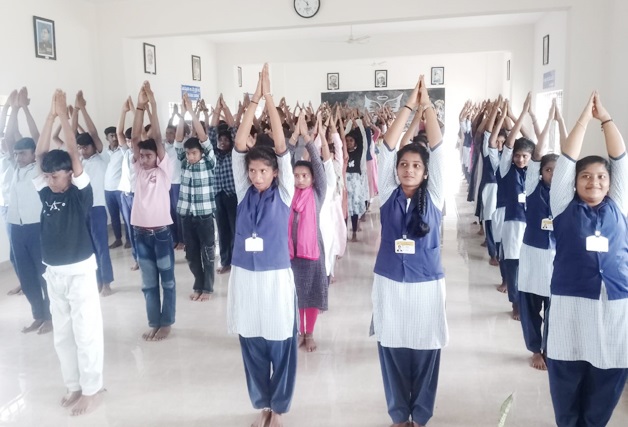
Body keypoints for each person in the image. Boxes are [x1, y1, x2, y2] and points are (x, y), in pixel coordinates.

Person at [546, 92, 628, 427]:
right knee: (566, 378)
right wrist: (583, 119)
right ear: (574, 183)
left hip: (615, 305)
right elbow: (567, 159)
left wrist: (605, 119)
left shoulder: (619, 204)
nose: (594, 181)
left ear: (610, 184)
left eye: (601, 177)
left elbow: (620, 158)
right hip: (571, 305)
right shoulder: (563, 206)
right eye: (586, 176)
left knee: (608, 378)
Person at [371, 75, 447, 427]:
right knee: (392, 349)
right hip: (389, 282)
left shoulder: (434, 196)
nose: (409, 170)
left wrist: (427, 105)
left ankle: (422, 415)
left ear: (426, 172)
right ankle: (400, 415)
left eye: (416, 166)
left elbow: (439, 149)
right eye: (404, 165)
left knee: (427, 349)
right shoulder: (388, 194)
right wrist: (408, 105)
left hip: (427, 285)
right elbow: (387, 148)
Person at [227, 64, 297, 427]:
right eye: (252, 171)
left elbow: (282, 147)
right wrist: (252, 100)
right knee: (252, 340)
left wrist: (269, 98)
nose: (256, 176)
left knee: (280, 341)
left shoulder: (284, 193)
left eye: (263, 171)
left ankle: (278, 408)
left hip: (275, 277)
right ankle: (262, 405)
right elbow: (240, 145)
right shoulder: (243, 192)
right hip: (245, 275)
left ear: (275, 173)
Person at [35, 89, 104, 416]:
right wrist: (49, 116)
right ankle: (74, 384)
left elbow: (74, 157)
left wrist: (64, 116)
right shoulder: (46, 192)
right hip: (54, 271)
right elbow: (40, 156)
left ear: (69, 174)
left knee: (85, 331)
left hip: (79, 270)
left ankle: (92, 389)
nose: (50, 180)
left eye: (56, 176)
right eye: (48, 176)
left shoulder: (79, 194)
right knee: (63, 334)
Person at [518, 100, 565, 371]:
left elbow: (570, 159)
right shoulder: (533, 187)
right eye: (548, 170)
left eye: (558, 171)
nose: (553, 174)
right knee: (530, 305)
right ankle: (535, 349)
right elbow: (537, 154)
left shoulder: (567, 196)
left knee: (554, 308)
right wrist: (548, 121)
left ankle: (549, 348)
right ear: (540, 172)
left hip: (557, 257)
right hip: (533, 255)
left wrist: (562, 122)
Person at [130, 82, 175, 341]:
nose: (145, 159)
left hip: (160, 233)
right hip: (141, 233)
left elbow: (156, 139)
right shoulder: (138, 169)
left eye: (149, 156)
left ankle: (166, 322)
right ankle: (153, 322)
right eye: (142, 156)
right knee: (148, 284)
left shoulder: (163, 170)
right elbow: (136, 138)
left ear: (157, 157)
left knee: (167, 281)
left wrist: (154, 106)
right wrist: (139, 107)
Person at [5, 88, 52, 334]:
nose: (18, 156)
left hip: (36, 227)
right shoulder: (15, 168)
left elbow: (37, 137)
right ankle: (38, 315)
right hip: (16, 227)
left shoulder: (39, 168)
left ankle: (51, 317)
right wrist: (12, 108)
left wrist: (24, 108)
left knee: (44, 274)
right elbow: (8, 138)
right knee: (26, 276)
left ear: (33, 154)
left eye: (22, 153)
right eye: (16, 153)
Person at [289, 111, 329, 352]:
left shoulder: (317, 193)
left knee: (311, 295)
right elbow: (283, 162)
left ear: (313, 178)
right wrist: (294, 137)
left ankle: (309, 333)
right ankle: (297, 331)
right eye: (296, 176)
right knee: (295, 296)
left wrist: (308, 138)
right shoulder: (287, 193)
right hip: (290, 253)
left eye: (305, 176)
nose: (300, 180)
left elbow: (318, 166)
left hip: (313, 251)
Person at [499, 94, 537, 320]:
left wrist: (530, 116)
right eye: (517, 156)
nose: (521, 160)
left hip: (531, 224)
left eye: (525, 156)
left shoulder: (534, 172)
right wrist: (520, 114)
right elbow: (510, 143)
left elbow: (533, 142)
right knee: (513, 264)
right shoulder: (507, 169)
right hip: (513, 223)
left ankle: (527, 301)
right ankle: (515, 302)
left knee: (528, 265)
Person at [175, 93, 216, 301]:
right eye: (188, 153)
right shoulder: (184, 162)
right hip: (186, 215)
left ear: (201, 153)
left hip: (204, 215)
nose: (190, 156)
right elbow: (177, 140)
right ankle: (198, 285)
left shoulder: (208, 162)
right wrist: (182, 115)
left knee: (207, 253)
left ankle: (207, 288)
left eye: (194, 153)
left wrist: (192, 111)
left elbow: (204, 139)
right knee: (191, 254)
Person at [74, 91, 115, 297]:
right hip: (82, 209)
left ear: (94, 146)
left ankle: (106, 282)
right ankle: (96, 281)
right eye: (80, 147)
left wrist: (82, 108)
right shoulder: (79, 161)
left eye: (86, 146)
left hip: (97, 207)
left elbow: (93, 132)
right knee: (89, 248)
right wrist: (73, 113)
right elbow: (72, 136)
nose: (83, 150)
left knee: (101, 246)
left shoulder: (101, 157)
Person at [208, 96, 238, 274]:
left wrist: (225, 109)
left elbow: (234, 130)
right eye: (220, 140)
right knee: (222, 229)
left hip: (232, 196)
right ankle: (225, 260)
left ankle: (236, 260)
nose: (222, 142)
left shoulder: (235, 154)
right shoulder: (214, 154)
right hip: (218, 196)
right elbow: (211, 133)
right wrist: (216, 111)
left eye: (226, 140)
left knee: (235, 228)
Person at [117, 98, 139, 270]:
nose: (130, 143)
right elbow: (119, 133)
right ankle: (137, 258)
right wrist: (123, 112)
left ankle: (144, 257)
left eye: (132, 140)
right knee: (131, 229)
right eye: (128, 140)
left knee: (140, 228)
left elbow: (140, 132)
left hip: (138, 196)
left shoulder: (141, 154)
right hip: (125, 195)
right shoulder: (125, 153)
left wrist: (135, 110)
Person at [103, 124, 129, 249]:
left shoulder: (123, 150)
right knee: (113, 216)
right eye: (111, 136)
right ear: (107, 138)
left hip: (120, 189)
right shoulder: (104, 152)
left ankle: (129, 239)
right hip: (108, 189)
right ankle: (118, 239)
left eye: (116, 135)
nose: (114, 138)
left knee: (125, 215)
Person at [163, 122, 184, 250]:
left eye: (171, 133)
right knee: (169, 212)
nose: (168, 135)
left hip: (177, 183)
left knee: (178, 212)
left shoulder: (179, 145)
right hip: (166, 184)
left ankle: (182, 240)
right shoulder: (163, 146)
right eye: (167, 133)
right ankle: (174, 239)